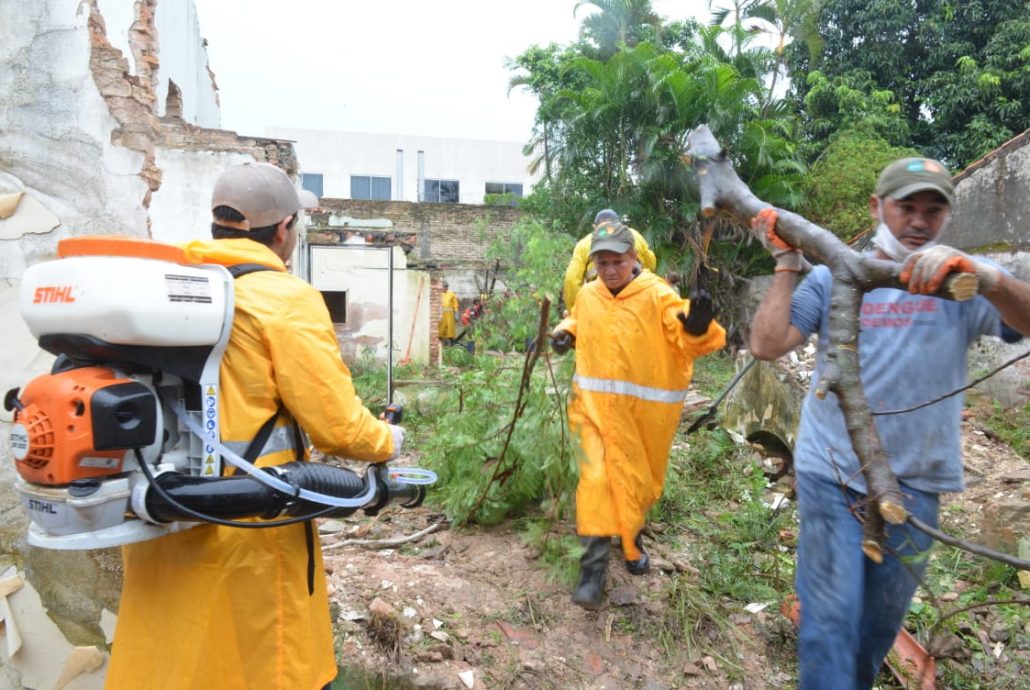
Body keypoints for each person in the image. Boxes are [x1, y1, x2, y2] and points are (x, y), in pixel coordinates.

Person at [105, 161, 406, 690]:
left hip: (165, 516)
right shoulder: (284, 299)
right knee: (262, 665)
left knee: (176, 662)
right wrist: (388, 440)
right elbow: (338, 427)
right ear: (284, 229)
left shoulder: (173, 286)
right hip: (250, 527)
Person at [748, 157, 1030, 690]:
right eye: (906, 207)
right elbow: (766, 344)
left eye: (933, 210)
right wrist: (786, 265)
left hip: (917, 487)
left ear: (947, 215)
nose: (919, 221)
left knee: (874, 634)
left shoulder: (963, 285)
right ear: (877, 208)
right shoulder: (832, 278)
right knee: (829, 624)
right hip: (831, 475)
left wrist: (991, 279)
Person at [551, 221, 726, 609]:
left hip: (643, 420)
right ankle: (592, 573)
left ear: (634, 258)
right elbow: (578, 317)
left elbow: (685, 333)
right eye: (602, 263)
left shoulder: (657, 295)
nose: (610, 270)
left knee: (637, 484)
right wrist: (566, 332)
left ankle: (632, 540)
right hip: (593, 411)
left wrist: (698, 327)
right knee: (595, 481)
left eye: (617, 261)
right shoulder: (589, 294)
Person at [562, 209, 657, 310]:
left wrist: (575, 310)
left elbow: (571, 280)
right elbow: (651, 264)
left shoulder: (584, 243)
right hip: (635, 296)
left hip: (600, 301)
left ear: (594, 227)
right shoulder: (634, 235)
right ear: (619, 224)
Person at [439, 279, 458, 344]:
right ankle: (440, 344)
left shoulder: (451, 294)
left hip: (450, 316)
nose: (445, 287)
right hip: (442, 315)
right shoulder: (439, 294)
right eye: (444, 286)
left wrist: (456, 314)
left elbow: (455, 304)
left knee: (450, 330)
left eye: (446, 286)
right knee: (441, 330)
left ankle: (451, 344)